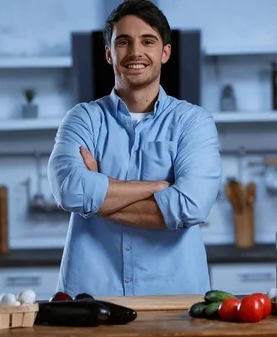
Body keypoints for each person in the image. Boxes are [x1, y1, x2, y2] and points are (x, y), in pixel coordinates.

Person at [47, 0, 222, 297]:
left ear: (165, 52)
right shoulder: (82, 118)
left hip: (174, 298)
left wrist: (97, 194)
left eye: (148, 41)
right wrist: (157, 187)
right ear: (109, 53)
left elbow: (190, 207)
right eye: (124, 42)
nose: (135, 52)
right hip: (90, 298)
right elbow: (69, 191)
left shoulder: (194, 122)